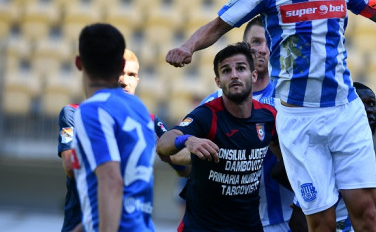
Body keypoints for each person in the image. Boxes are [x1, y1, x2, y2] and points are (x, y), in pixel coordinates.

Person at [165, 0, 376, 232]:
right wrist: (188, 47)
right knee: (321, 224)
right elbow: (218, 25)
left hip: (346, 112)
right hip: (298, 120)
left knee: (368, 216)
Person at [58, 48, 187, 231]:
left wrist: (188, 142)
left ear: (137, 81)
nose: (125, 81)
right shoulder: (75, 112)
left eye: (131, 75)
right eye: (120, 73)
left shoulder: (149, 120)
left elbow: (181, 164)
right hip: (83, 222)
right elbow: (71, 168)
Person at [157, 42, 278, 231]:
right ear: (218, 81)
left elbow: (287, 156)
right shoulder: (207, 115)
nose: (234, 75)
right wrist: (187, 140)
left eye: (241, 68)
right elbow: (163, 144)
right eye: (226, 71)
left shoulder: (269, 116)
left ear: (254, 76)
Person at [199, 16, 296, 232]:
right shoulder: (213, 102)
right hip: (227, 222)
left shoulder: (290, 99)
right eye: (255, 42)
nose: (262, 49)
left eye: (268, 42)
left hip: (280, 220)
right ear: (245, 47)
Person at [70, 23, 156, 231]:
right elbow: (125, 190)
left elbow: (112, 183)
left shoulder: (92, 110)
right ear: (120, 66)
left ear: (79, 62)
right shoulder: (139, 108)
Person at [286, 82, 376, 232]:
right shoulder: (329, 153)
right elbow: (299, 219)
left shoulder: (364, 150)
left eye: (372, 104)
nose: (368, 110)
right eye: (360, 105)